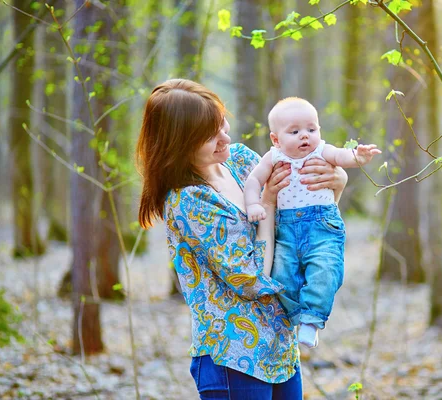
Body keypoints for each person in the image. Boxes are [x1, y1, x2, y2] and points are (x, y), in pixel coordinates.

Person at [135, 79, 347, 399]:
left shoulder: (240, 160)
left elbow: (300, 227)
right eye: (211, 134)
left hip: (280, 346)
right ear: (180, 142)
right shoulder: (189, 201)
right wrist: (269, 203)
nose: (226, 137)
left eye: (222, 124)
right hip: (234, 358)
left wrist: (338, 182)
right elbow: (250, 277)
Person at [243, 97, 381, 348]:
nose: (305, 136)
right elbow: (253, 181)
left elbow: (341, 156)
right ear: (276, 139)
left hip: (322, 226)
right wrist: (253, 203)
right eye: (294, 132)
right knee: (282, 275)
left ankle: (312, 320)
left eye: (311, 129)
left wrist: (358, 157)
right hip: (286, 229)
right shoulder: (272, 157)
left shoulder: (321, 150)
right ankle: (297, 315)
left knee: (325, 270)